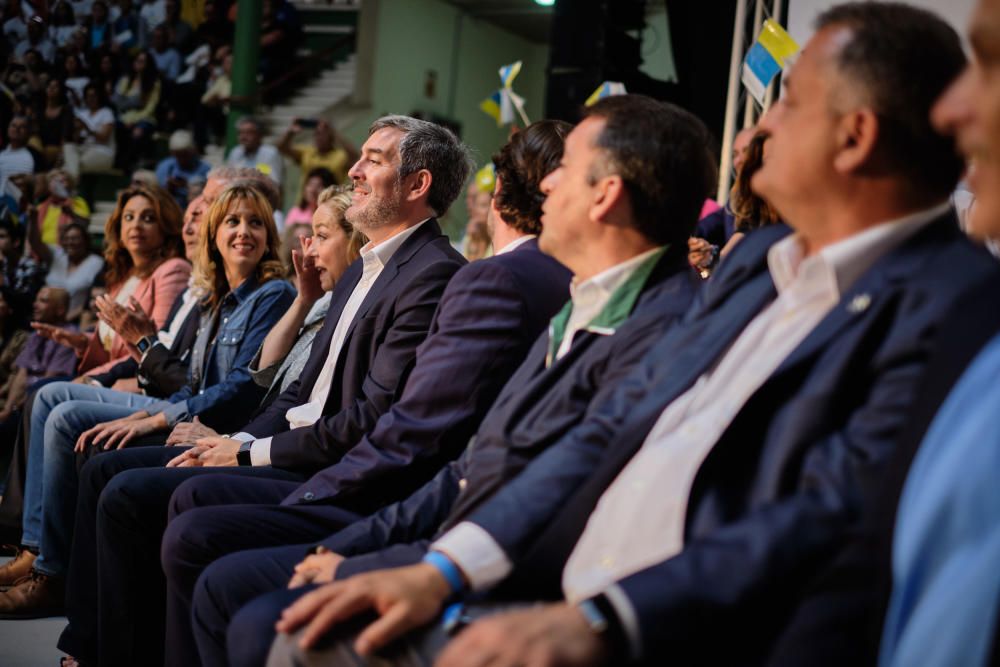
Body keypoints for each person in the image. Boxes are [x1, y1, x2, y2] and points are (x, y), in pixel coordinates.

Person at [265, 7, 1000, 665]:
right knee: (290, 623)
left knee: (295, 634)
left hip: (655, 624)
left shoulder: (949, 302)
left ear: (855, 136)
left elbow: (824, 514)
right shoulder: (757, 269)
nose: (757, 128)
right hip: (552, 579)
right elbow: (606, 429)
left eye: (791, 102)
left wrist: (602, 620)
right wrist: (444, 567)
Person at [191, 105, 709, 667]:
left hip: (524, 582)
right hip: (446, 528)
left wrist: (405, 564)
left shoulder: (655, 320)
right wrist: (345, 548)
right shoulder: (586, 297)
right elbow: (477, 464)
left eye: (569, 168)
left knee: (249, 604)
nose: (550, 183)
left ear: (605, 194)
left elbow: (544, 482)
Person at [57, 114, 469, 666]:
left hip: (331, 472)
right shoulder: (362, 269)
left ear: (418, 185)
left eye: (374, 159)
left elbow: (371, 417)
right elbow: (294, 392)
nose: (354, 168)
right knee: (124, 476)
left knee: (163, 497)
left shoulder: (432, 274)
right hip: (293, 448)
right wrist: (236, 442)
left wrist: (246, 451)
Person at [766, 0, 1000, 665]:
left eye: (991, 63)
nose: (952, 111)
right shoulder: (982, 341)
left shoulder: (952, 309)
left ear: (855, 136)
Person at [0, 183, 295, 618]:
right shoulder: (218, 297)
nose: (243, 232)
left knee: (64, 413)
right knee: (55, 401)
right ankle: (42, 557)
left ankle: (50, 569)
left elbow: (239, 390)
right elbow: (191, 382)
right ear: (216, 235)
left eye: (255, 222)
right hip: (182, 403)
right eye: (232, 221)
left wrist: (156, 414)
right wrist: (146, 408)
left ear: (270, 236)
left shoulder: (271, 294)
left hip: (215, 423)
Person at [252, 187, 363, 411]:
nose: (309, 252)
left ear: (357, 240)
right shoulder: (323, 301)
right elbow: (265, 372)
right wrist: (303, 300)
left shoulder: (362, 310)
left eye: (321, 236)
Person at [0, 287, 76, 485]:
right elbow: (22, 374)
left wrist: (17, 410)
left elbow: (49, 381)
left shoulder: (69, 336)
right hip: (19, 404)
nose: (35, 304)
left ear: (60, 310)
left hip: (39, 404)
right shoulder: (36, 334)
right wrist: (7, 409)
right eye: (36, 299)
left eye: (43, 301)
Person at [32, 218, 104, 321]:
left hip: (74, 321)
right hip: (46, 318)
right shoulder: (58, 255)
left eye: (75, 238)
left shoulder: (96, 263)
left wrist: (66, 319)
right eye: (66, 238)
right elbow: (35, 243)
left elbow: (93, 298)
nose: (70, 242)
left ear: (85, 240)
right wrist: (33, 218)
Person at [278, 118, 359, 194]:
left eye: (322, 134)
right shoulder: (307, 153)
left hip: (332, 200)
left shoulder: (340, 155)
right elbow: (282, 148)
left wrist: (334, 132)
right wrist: (290, 132)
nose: (318, 137)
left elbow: (355, 156)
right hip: (307, 203)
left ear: (331, 137)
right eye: (316, 134)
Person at [112, 49, 161, 169]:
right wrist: (127, 115)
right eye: (137, 60)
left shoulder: (154, 83)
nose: (138, 63)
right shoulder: (125, 80)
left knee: (137, 133)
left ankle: (127, 165)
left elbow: (150, 107)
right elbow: (117, 102)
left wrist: (134, 120)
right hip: (123, 117)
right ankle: (117, 164)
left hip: (144, 118)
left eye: (142, 61)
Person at [63, 82, 115, 179]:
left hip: (102, 152)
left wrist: (86, 128)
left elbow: (103, 138)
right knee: (68, 146)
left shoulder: (106, 112)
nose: (90, 99)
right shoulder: (82, 114)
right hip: (84, 149)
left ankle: (70, 185)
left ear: (99, 97)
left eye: (93, 96)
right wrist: (76, 132)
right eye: (87, 96)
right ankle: (72, 185)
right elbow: (75, 140)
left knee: (71, 167)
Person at [0, 213, 47, 320]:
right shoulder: (4, 264)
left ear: (16, 242)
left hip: (24, 325)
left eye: (2, 237)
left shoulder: (32, 267)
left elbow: (24, 304)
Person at [156, 129, 211, 208]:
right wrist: (168, 187)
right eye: (178, 154)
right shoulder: (165, 166)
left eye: (185, 154)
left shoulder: (205, 169)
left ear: (193, 151)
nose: (181, 158)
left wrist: (187, 186)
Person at [227, 116, 283, 187]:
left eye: (249, 133)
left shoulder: (270, 153)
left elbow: (275, 183)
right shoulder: (235, 152)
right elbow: (229, 179)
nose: (243, 137)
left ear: (259, 135)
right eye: (240, 133)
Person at [36, 78, 74, 168]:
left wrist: (61, 155)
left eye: (55, 86)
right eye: (49, 86)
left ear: (61, 91)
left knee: (49, 151)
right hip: (41, 147)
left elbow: (65, 136)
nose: (51, 88)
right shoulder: (40, 109)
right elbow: (35, 132)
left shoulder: (66, 110)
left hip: (57, 148)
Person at [0, 115, 36, 192]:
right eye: (13, 125)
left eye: (22, 127)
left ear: (28, 132)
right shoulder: (1, 152)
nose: (17, 129)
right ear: (8, 129)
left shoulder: (35, 155)